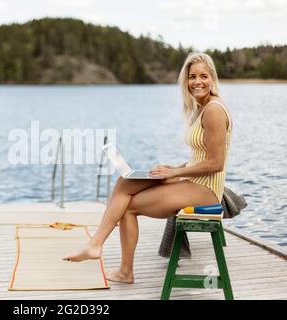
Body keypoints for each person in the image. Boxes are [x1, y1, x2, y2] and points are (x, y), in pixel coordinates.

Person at [62, 52, 233, 284]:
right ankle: (95, 245)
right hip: (193, 181)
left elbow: (216, 163)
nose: (197, 82)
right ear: (186, 80)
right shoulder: (200, 108)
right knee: (126, 182)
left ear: (212, 78)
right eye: (192, 77)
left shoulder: (213, 110)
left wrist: (174, 174)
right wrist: (176, 167)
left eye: (203, 76)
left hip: (206, 191)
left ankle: (123, 270)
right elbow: (200, 156)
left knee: (128, 207)